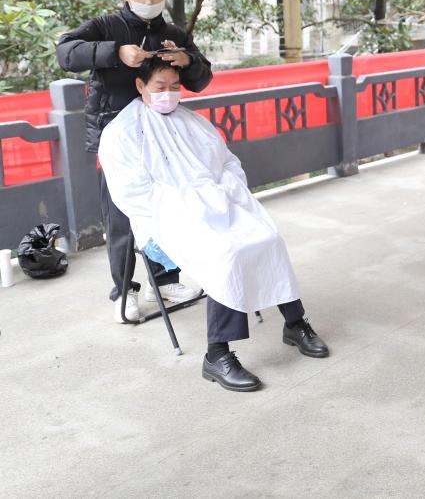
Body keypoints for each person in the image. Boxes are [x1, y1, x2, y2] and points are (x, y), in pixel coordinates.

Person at [97, 58, 329, 391]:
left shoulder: (193, 122)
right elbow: (133, 193)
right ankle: (217, 355)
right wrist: (191, 202)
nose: (168, 93)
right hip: (167, 216)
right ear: (140, 85)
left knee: (267, 238)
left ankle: (295, 323)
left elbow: (228, 163)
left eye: (174, 87)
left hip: (219, 204)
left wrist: (222, 192)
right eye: (160, 87)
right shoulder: (122, 132)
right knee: (226, 252)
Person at [56, 0, 212, 321]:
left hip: (163, 137)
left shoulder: (173, 32)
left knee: (168, 207)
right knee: (121, 217)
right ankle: (125, 290)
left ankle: (166, 280)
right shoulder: (105, 25)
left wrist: (186, 60)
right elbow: (65, 52)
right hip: (117, 137)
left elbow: (202, 79)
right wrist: (114, 52)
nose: (149, 0)